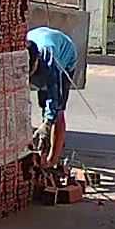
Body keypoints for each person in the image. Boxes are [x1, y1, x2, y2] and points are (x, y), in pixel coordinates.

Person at [26, 26, 78, 168]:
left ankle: (51, 161)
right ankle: (43, 151)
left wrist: (47, 123)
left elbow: (53, 94)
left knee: (57, 110)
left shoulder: (50, 60)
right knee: (43, 104)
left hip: (65, 55)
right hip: (40, 38)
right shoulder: (20, 57)